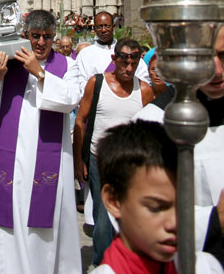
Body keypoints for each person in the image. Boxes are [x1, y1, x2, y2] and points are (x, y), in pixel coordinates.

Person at [0, 9, 82, 274]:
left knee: (49, 225)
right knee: (10, 226)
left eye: (47, 37)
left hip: (51, 163)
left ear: (55, 37)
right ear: (25, 35)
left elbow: (70, 99)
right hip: (11, 164)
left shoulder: (67, 66)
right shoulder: (7, 63)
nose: (41, 42)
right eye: (35, 36)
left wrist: (40, 73)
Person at [134, 25, 224, 266]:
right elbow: (136, 216)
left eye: (223, 55)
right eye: (202, 57)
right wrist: (214, 220)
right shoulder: (152, 124)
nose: (216, 70)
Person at [93, 120, 222, 273]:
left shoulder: (203, 267)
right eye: (156, 208)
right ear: (113, 201)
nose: (174, 223)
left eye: (183, 207)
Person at [73, 38, 154, 266]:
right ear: (113, 59)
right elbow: (80, 120)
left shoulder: (144, 90)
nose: (128, 68)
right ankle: (103, 263)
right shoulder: (96, 83)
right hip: (100, 161)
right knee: (103, 218)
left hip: (132, 166)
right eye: (123, 62)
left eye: (134, 62)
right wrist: (79, 160)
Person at [74, 11, 149, 96]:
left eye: (107, 26)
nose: (103, 30)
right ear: (94, 29)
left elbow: (143, 76)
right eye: (99, 27)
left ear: (113, 27)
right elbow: (80, 82)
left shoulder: (127, 50)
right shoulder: (85, 54)